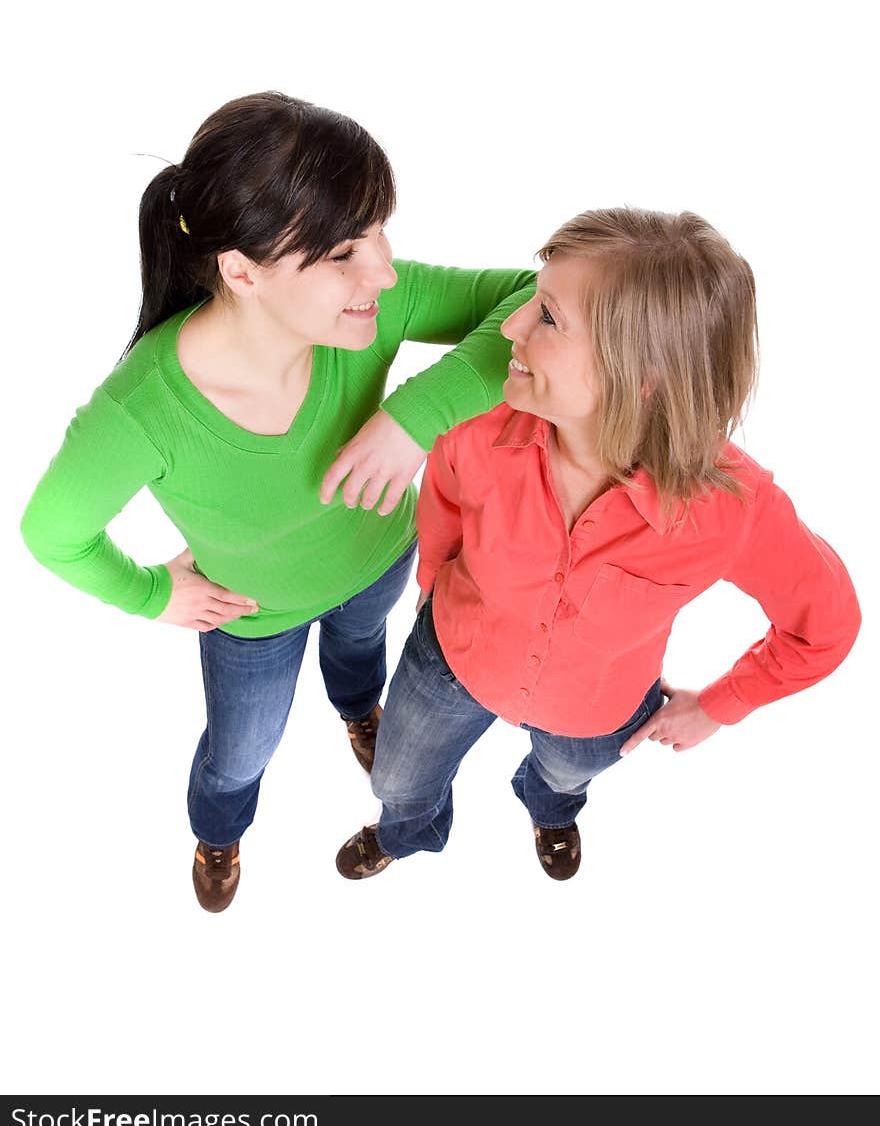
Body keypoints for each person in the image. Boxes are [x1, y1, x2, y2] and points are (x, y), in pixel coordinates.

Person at [20, 91, 535, 911]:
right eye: (341, 251)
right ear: (240, 271)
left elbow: (535, 297)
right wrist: (155, 592)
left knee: (361, 651)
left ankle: (356, 710)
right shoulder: (141, 412)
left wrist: (416, 414)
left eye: (376, 231)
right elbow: (52, 532)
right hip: (251, 617)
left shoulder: (376, 307)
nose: (384, 271)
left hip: (376, 562)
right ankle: (219, 831)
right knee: (240, 751)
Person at [335, 207, 861, 881]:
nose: (511, 327)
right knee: (399, 777)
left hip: (594, 711)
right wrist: (435, 581)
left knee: (563, 776)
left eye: (546, 316)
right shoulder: (476, 423)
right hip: (451, 658)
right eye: (530, 300)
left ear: (641, 379)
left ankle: (549, 809)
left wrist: (724, 704)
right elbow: (442, 499)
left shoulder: (735, 509)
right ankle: (407, 832)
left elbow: (827, 625)